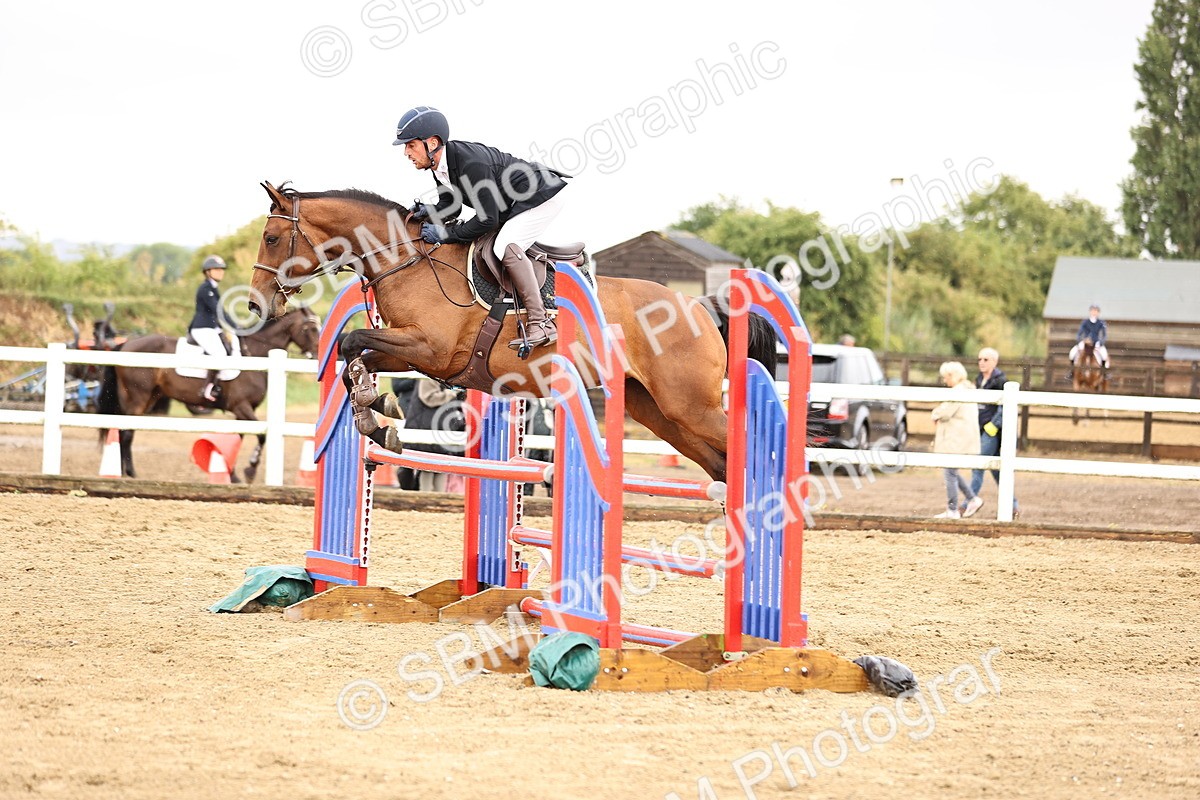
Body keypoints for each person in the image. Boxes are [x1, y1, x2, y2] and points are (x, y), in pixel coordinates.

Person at [393, 106, 570, 351]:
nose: (406, 153)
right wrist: (429, 211)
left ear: (432, 142)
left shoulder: (469, 163)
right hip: (513, 203)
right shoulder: (440, 166)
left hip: (540, 195)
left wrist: (446, 235)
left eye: (410, 145)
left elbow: (488, 219)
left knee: (503, 247)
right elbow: (451, 207)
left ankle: (541, 322)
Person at [968, 348, 1019, 518]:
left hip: (991, 431)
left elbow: (1003, 407)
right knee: (997, 471)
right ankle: (1013, 505)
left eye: (986, 360)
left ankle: (968, 502)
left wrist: (994, 424)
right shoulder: (980, 379)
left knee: (979, 465)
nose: (982, 362)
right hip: (981, 427)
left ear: (994, 362)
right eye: (980, 359)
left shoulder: (1000, 380)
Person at [930, 361, 983, 519]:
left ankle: (953, 509)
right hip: (961, 437)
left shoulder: (958, 391)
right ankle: (972, 499)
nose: (945, 381)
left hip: (956, 438)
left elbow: (946, 412)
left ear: (953, 375)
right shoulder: (967, 389)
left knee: (949, 471)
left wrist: (935, 413)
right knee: (951, 471)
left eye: (946, 377)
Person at [403, 378, 466, 493]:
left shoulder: (434, 379)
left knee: (437, 466)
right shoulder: (427, 379)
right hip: (428, 427)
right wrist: (451, 394)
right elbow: (429, 398)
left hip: (433, 426)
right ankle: (427, 498)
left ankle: (433, 499)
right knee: (429, 466)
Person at [188, 255, 231, 402]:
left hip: (211, 327)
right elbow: (218, 311)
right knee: (220, 353)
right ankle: (207, 388)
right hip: (202, 327)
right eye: (217, 269)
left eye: (222, 270)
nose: (221, 272)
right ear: (207, 272)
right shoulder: (206, 288)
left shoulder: (213, 287)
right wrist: (235, 325)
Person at [1067, 304, 1110, 373]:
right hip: (1085, 342)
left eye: (1096, 311)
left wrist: (1101, 342)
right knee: (1072, 353)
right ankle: (1072, 372)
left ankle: (1104, 373)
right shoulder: (1085, 322)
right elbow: (1079, 334)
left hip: (1096, 343)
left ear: (1098, 312)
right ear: (1090, 312)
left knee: (1104, 355)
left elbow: (1104, 335)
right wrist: (1081, 340)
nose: (1094, 312)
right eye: (1093, 311)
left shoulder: (1101, 323)